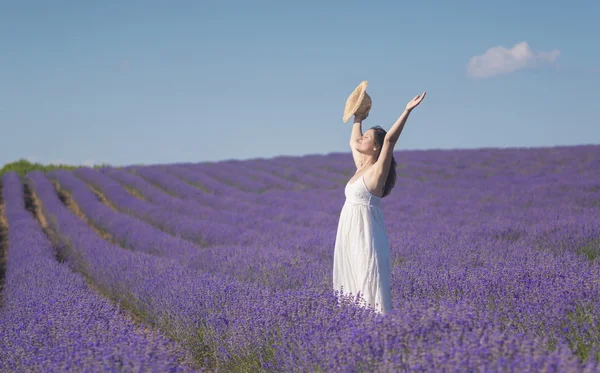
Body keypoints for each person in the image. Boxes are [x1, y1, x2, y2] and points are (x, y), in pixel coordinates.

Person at [333, 91, 426, 315]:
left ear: (376, 147)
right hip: (350, 236)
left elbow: (390, 140)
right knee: (352, 283)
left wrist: (407, 111)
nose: (361, 139)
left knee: (368, 282)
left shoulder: (376, 172)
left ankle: (377, 331)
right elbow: (353, 140)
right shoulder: (360, 168)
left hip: (367, 239)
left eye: (367, 137)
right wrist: (358, 117)